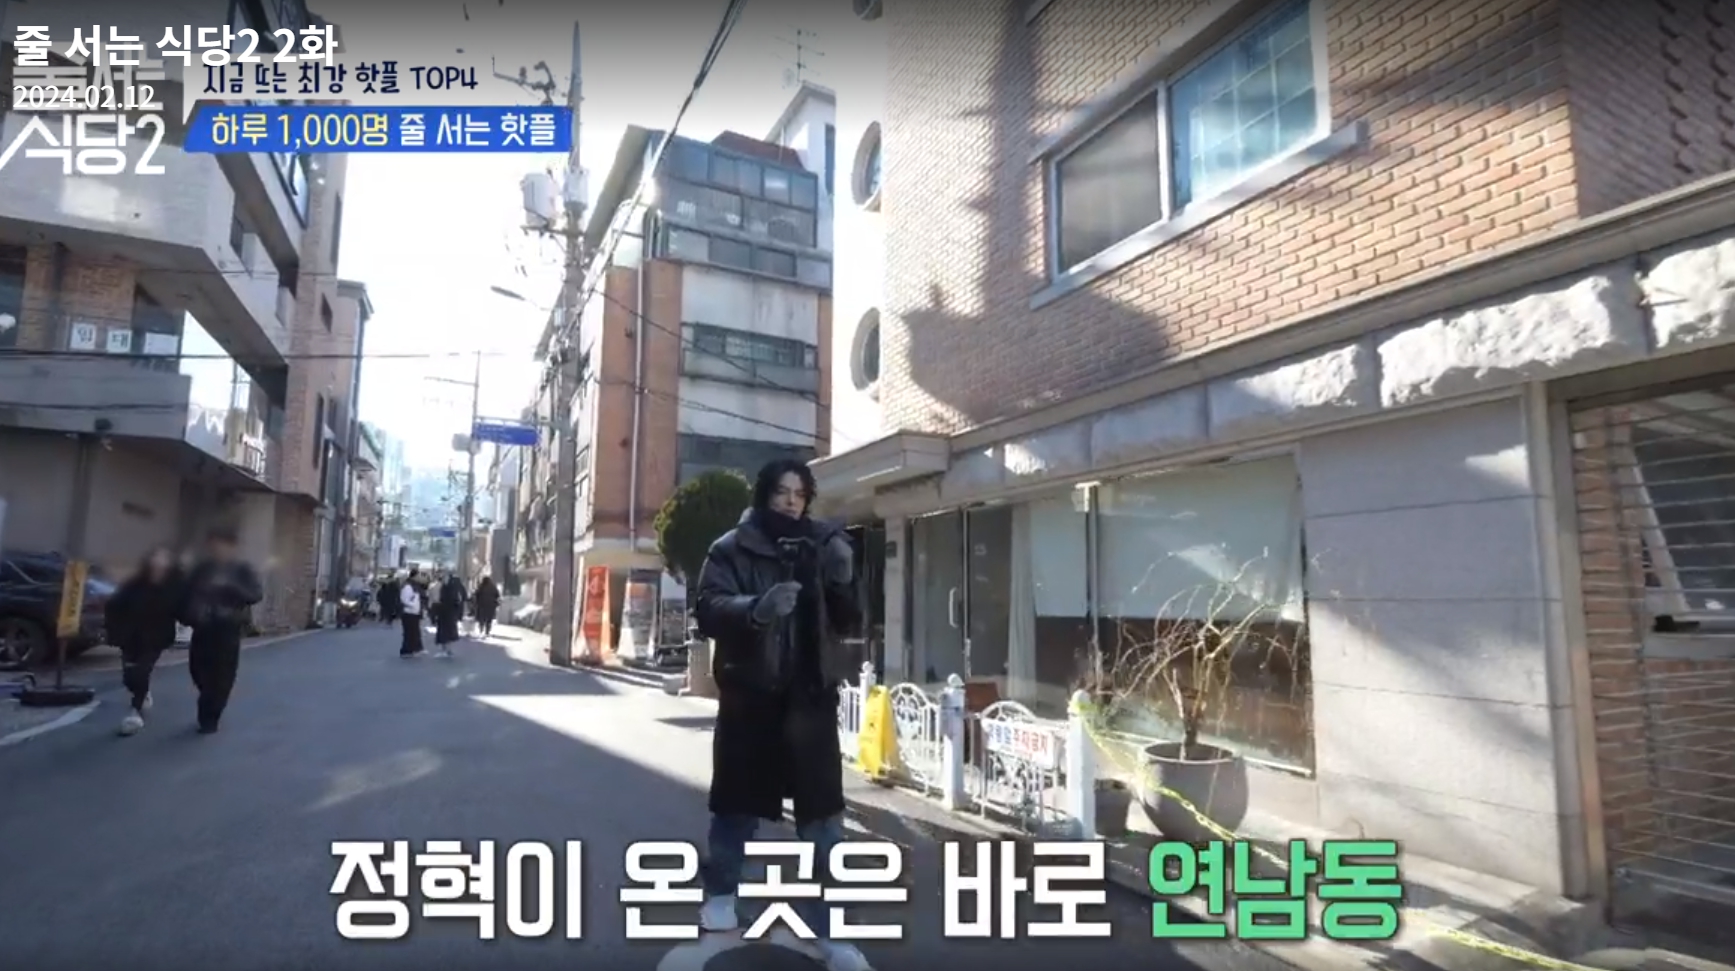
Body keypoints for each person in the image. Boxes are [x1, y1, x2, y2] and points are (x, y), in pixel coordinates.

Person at [692, 459, 868, 971]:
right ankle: (721, 893)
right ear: (764, 494)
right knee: (736, 811)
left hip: (810, 702)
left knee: (824, 822)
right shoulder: (731, 548)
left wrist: (843, 579)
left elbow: (849, 620)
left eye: (800, 493)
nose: (792, 501)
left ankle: (832, 930)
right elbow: (708, 608)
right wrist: (755, 608)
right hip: (751, 701)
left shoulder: (824, 544)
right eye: (782, 492)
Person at [178, 527, 263, 734]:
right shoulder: (202, 569)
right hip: (203, 627)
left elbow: (255, 595)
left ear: (232, 547)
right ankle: (209, 700)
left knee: (222, 676)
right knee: (198, 671)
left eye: (222, 544)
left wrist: (229, 587)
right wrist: (187, 614)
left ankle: (210, 717)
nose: (217, 549)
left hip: (228, 629)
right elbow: (185, 593)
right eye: (214, 544)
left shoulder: (242, 570)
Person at [106, 547, 184, 737]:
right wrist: (114, 629)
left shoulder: (174, 587)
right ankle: (142, 692)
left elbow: (183, 609)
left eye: (163, 560)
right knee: (129, 677)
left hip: (156, 637)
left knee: (142, 671)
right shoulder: (135, 584)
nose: (159, 564)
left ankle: (136, 711)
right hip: (130, 636)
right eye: (156, 559)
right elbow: (114, 605)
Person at [435, 572, 466, 657]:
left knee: (445, 631)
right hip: (450, 612)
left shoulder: (447, 588)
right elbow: (462, 597)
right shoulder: (455, 586)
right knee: (448, 631)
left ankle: (446, 650)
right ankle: (448, 650)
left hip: (446, 612)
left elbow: (443, 598)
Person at [399, 568, 425, 657]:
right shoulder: (408, 586)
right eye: (419, 576)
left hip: (414, 613)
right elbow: (404, 599)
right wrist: (413, 605)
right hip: (409, 612)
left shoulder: (415, 586)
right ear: (415, 576)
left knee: (414, 632)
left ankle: (413, 649)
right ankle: (406, 651)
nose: (420, 578)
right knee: (409, 632)